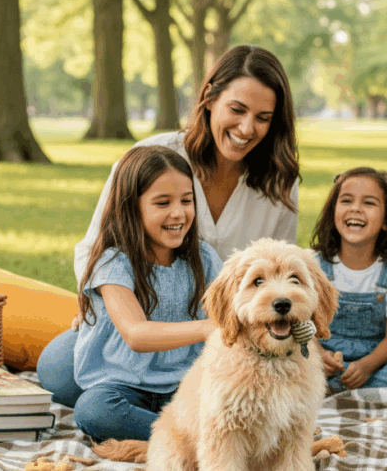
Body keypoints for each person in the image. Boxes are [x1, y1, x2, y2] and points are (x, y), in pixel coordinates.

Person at [38, 45, 301, 407]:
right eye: (237, 110)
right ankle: (166, 418)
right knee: (56, 373)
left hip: (224, 329)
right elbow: (95, 247)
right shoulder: (152, 157)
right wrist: (111, 303)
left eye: (263, 117)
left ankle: (184, 426)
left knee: (98, 401)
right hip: (138, 316)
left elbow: (280, 272)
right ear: (209, 97)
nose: (246, 128)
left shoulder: (279, 184)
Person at [70, 145, 223, 441]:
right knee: (93, 410)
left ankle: (177, 434)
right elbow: (136, 334)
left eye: (187, 200)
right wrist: (206, 328)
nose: (178, 213)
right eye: (162, 203)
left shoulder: (204, 258)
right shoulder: (114, 262)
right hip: (125, 385)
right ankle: (190, 439)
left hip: (185, 385)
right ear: (131, 206)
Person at [309, 167, 387, 393]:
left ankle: (337, 389)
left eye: (369, 203)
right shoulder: (311, 263)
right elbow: (299, 323)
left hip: (375, 366)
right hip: (318, 359)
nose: (356, 208)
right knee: (284, 361)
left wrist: (365, 367)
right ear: (333, 212)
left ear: (386, 220)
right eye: (346, 200)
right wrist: (319, 355)